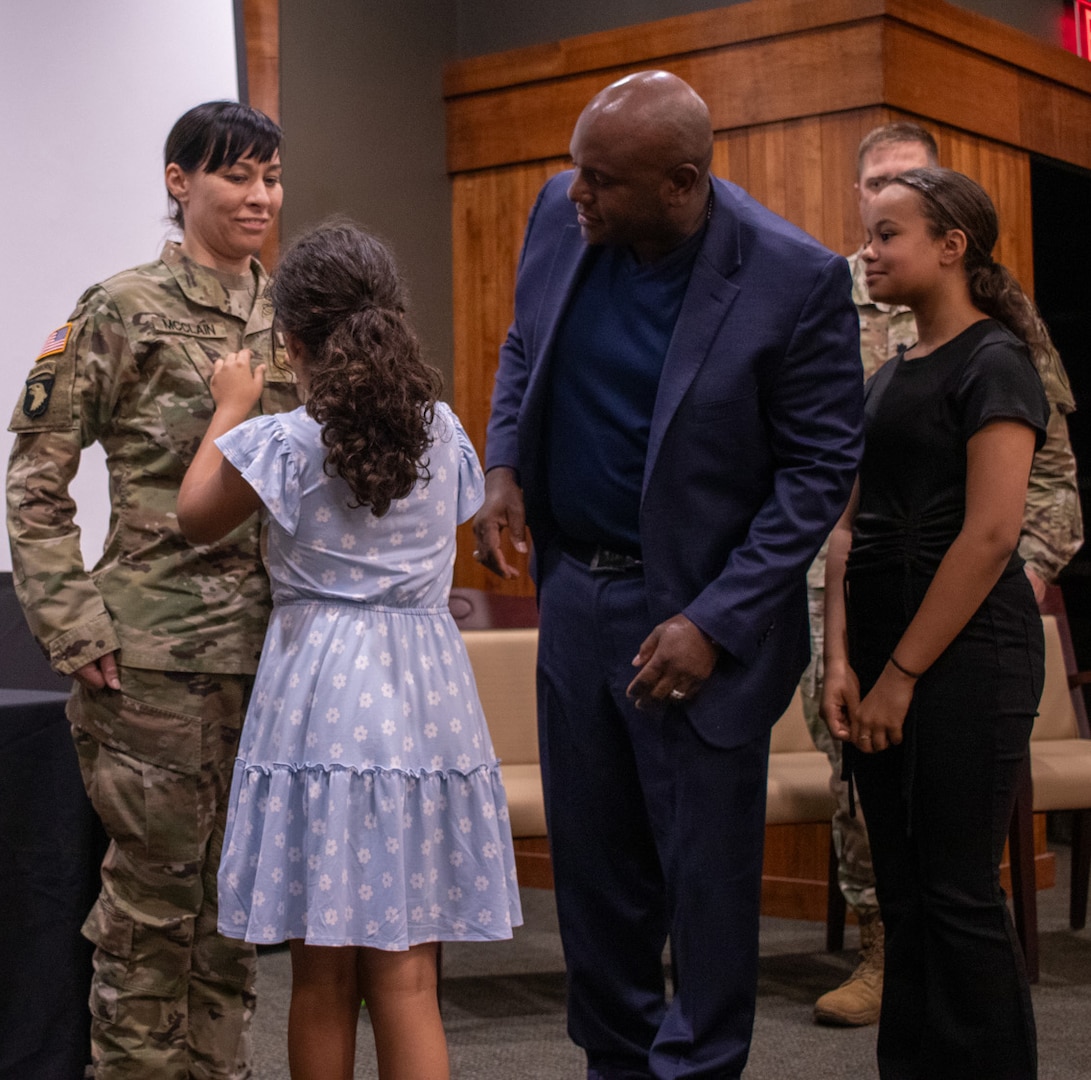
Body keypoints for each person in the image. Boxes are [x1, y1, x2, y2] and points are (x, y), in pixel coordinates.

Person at [472, 70, 863, 1079]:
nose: (576, 195)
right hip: (576, 599)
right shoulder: (563, 223)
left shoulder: (792, 276)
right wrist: (504, 464)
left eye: (600, 181)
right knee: (594, 876)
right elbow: (522, 345)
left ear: (681, 181)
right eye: (575, 171)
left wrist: (717, 618)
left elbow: (818, 468)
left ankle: (697, 1070)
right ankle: (614, 1061)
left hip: (697, 620)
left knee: (701, 881)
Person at [177, 221, 523, 1080]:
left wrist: (229, 407)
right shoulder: (442, 431)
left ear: (290, 339)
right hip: (424, 699)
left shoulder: (287, 440)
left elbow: (194, 517)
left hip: (321, 699)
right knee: (408, 979)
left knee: (322, 977)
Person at [5, 101, 298, 1079]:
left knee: (233, 917)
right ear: (179, 182)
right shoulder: (118, 307)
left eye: (270, 177)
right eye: (235, 177)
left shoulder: (288, 317)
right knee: (150, 918)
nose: (259, 196)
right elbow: (35, 477)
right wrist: (69, 620)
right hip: (153, 666)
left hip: (271, 665)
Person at [803, 121, 1082, 1028]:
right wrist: (845, 654)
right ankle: (888, 960)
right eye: (873, 203)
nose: (877, 236)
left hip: (960, 623)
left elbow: (1021, 500)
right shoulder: (841, 324)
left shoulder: (997, 342)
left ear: (948, 230)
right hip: (863, 609)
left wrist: (1010, 579)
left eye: (904, 203)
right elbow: (838, 504)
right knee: (897, 856)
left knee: (957, 888)